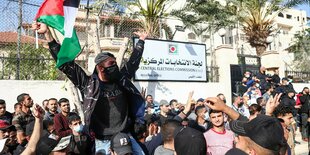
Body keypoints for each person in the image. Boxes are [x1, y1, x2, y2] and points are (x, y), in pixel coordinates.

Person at [33, 22, 148, 154]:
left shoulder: (121, 79)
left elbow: (133, 62)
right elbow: (65, 64)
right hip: (103, 140)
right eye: (111, 64)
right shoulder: (88, 85)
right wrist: (47, 34)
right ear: (100, 68)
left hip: (125, 136)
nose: (115, 67)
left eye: (115, 64)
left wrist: (141, 41)